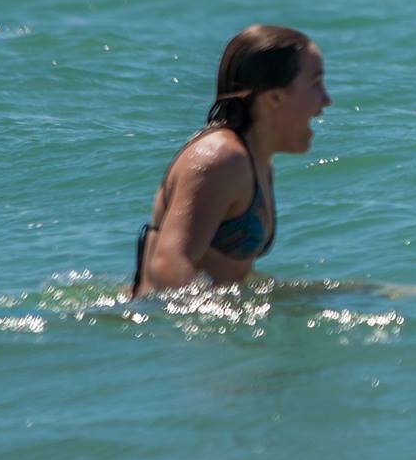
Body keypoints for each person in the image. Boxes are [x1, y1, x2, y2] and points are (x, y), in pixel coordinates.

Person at [130, 24, 330, 296]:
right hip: (157, 328)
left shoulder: (256, 161)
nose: (326, 100)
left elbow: (228, 274)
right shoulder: (221, 158)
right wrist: (217, 331)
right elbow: (168, 265)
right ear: (274, 97)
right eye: (316, 84)